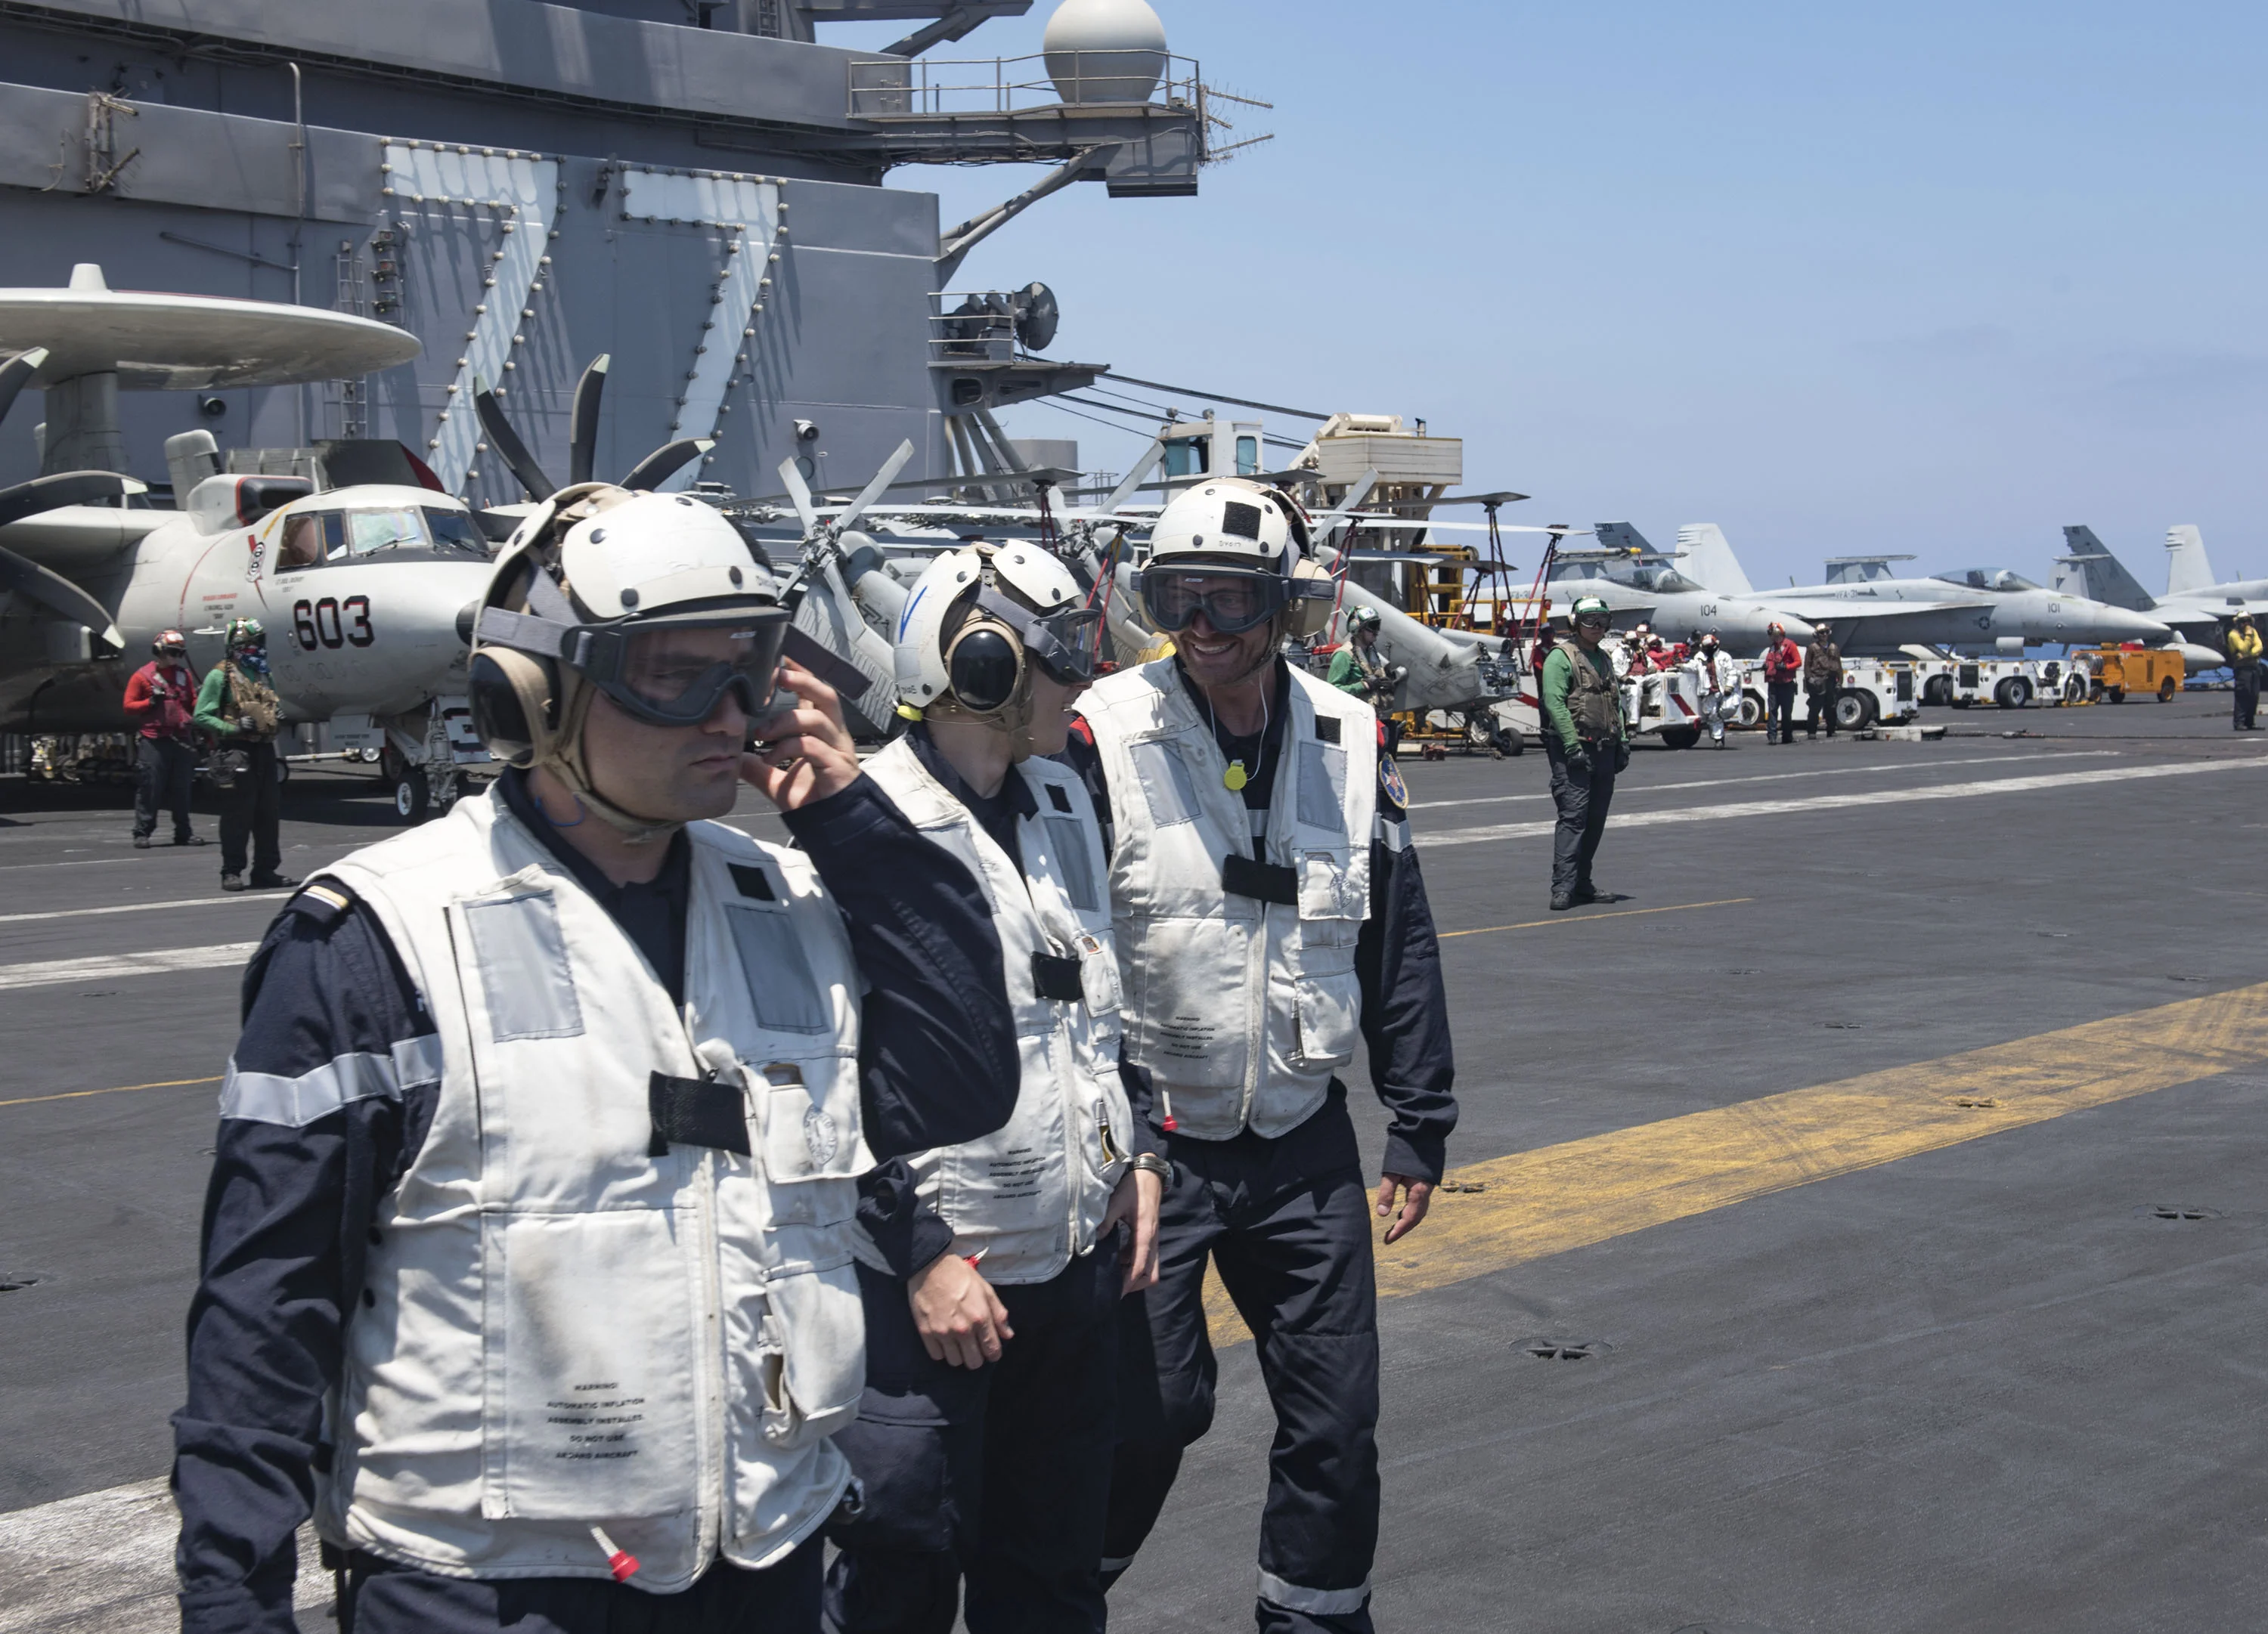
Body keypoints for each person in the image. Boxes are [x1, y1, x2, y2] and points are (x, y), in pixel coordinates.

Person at [172, 487, 1023, 1634]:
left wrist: (854, 822)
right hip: (484, 1593)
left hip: (763, 1570)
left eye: (751, 666)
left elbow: (966, 1078)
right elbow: (265, 1314)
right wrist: (233, 1603)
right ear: (533, 691)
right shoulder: (377, 939)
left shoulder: (792, 900)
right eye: (678, 674)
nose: (732, 712)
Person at [1064, 478, 1456, 1634]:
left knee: (1338, 1420)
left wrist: (1420, 1118)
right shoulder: (1103, 733)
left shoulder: (1348, 737)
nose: (1203, 625)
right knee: (1154, 1410)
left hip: (1300, 1136)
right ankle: (1054, 1590)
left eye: (1230, 600)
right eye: (1179, 597)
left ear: (1283, 609)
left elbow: (1397, 935)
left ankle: (1315, 1618)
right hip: (1155, 1144)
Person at [824, 541, 1163, 1634]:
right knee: (901, 1576)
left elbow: (1100, 996)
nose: (1085, 685)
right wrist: (919, 1255)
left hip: (1070, 1276)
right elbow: (823, 1082)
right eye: (1065, 662)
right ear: (984, 667)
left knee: (1053, 1582)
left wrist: (1140, 1149)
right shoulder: (860, 829)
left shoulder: (1064, 796)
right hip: (935, 1296)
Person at [1541, 595, 1628, 911]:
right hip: (1574, 751)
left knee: (1595, 821)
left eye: (1603, 620)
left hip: (1605, 749)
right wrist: (1572, 747)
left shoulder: (1604, 659)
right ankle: (1563, 887)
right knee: (1573, 820)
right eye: (1590, 620)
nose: (1597, 626)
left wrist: (1624, 742)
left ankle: (1582, 883)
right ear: (1575, 623)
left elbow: (1615, 703)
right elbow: (1554, 703)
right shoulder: (1560, 658)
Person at [193, 618, 294, 891]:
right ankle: (231, 871)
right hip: (237, 751)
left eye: (258, 643)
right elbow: (201, 715)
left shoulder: (263, 674)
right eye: (250, 644)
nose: (256, 649)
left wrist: (276, 714)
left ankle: (265, 869)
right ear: (236, 647)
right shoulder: (220, 677)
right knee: (237, 815)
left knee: (268, 815)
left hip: (264, 751)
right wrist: (232, 727)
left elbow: (268, 703)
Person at [124, 628, 207, 849]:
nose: (175, 657)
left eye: (179, 653)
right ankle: (142, 832)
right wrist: (149, 703)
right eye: (172, 652)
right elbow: (128, 706)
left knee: (182, 789)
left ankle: (183, 832)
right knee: (150, 787)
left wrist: (204, 706)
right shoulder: (142, 677)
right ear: (159, 651)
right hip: (154, 740)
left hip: (180, 738)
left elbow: (192, 702)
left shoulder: (183, 675)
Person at [1693, 630, 1738, 748]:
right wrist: (1681, 666)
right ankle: (1718, 739)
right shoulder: (1699, 657)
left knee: (1728, 708)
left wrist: (1730, 686)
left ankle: (1719, 732)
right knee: (1712, 715)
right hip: (1708, 691)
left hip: (1723, 689)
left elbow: (1732, 672)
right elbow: (1693, 667)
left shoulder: (1725, 657)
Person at [1761, 621, 1801, 744]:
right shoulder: (1772, 647)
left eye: (1774, 635)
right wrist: (1766, 667)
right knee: (1772, 710)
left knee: (1786, 711)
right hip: (1773, 683)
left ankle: (1787, 736)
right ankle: (1772, 736)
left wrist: (1787, 667)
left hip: (1787, 683)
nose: (1773, 638)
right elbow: (1771, 662)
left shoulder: (1790, 645)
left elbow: (1798, 662)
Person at [1803, 627, 1844, 739]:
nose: (1824, 634)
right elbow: (1807, 665)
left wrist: (1840, 681)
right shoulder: (1812, 648)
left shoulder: (1834, 648)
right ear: (1817, 634)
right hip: (1818, 681)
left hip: (1831, 680)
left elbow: (1839, 666)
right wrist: (1809, 678)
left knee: (1831, 707)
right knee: (1815, 708)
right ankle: (1812, 731)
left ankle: (1831, 730)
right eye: (1821, 633)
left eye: (1826, 632)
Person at [2229, 613, 2261, 730]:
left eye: (2248, 621)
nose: (2246, 624)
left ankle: (2250, 722)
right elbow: (2242, 648)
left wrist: (2249, 655)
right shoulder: (2234, 635)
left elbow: (2259, 646)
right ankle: (2239, 723)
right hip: (2242, 670)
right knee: (2243, 695)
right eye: (2243, 621)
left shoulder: (2254, 632)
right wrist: (2248, 636)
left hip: (2253, 668)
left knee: (2254, 696)